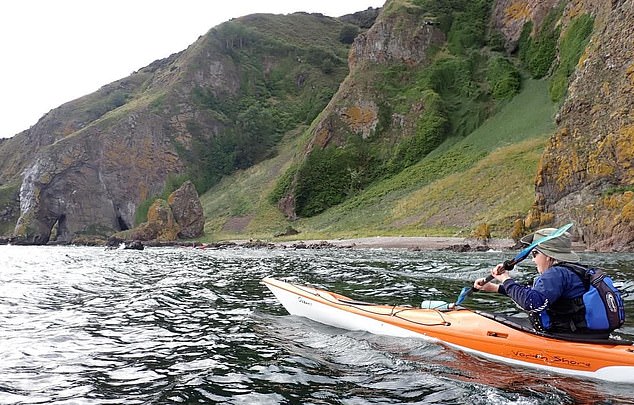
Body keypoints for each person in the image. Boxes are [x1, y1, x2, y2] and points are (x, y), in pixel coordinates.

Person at [473, 228, 615, 335]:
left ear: (548, 256)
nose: (533, 259)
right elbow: (533, 292)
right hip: (584, 333)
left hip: (567, 336)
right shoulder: (570, 271)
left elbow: (532, 302)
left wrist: (505, 278)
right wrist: (495, 287)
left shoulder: (555, 274)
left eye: (535, 253)